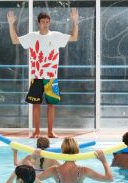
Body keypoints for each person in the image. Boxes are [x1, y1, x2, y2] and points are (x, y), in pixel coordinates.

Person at [7, 9, 79, 138]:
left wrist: (75, 22)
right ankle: (37, 131)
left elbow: (74, 37)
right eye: (43, 22)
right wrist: (11, 24)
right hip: (36, 76)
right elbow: (15, 40)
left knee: (51, 105)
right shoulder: (32, 36)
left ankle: (50, 132)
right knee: (36, 105)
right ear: (38, 23)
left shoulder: (55, 36)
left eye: (47, 22)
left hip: (51, 76)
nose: (45, 24)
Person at [37, 137, 113, 183]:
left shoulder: (54, 170)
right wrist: (104, 161)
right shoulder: (84, 170)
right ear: (77, 152)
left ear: (62, 152)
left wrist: (34, 159)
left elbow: (30, 181)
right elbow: (109, 179)